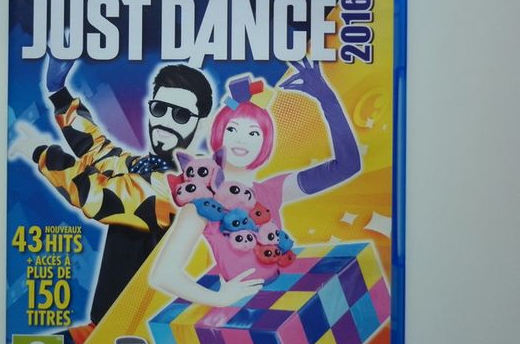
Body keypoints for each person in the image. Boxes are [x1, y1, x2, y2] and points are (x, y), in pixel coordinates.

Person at [149, 59, 361, 307]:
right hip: (245, 309)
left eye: (253, 133)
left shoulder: (271, 190)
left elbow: (347, 165)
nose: (242, 140)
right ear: (218, 134)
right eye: (232, 129)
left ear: (264, 143)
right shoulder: (202, 203)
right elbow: (163, 275)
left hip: (285, 295)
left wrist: (327, 100)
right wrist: (218, 299)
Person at [32, 55, 214, 328]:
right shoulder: (144, 166)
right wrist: (59, 94)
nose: (165, 121)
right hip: (103, 326)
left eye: (181, 115)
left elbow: (98, 196)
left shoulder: (186, 187)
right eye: (160, 109)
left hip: (140, 332)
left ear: (201, 124)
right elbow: (99, 151)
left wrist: (41, 153)